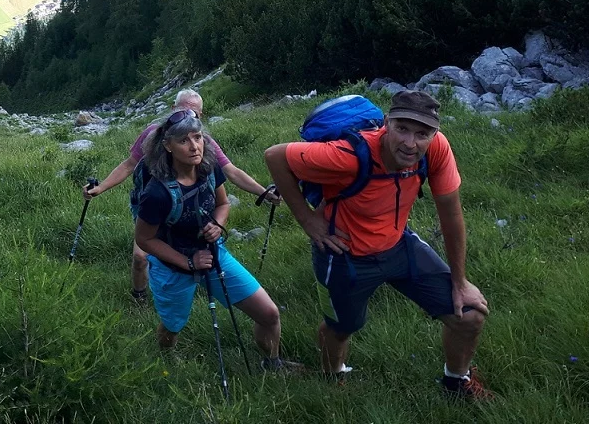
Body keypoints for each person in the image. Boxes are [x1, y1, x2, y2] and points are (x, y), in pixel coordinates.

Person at [264, 90, 492, 400]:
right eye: (402, 128)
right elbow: (275, 156)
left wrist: (460, 281)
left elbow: (451, 215)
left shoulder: (436, 150)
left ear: (434, 134)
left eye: (422, 133)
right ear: (386, 124)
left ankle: (456, 383)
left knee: (469, 315)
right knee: (341, 328)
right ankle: (332, 378)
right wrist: (306, 219)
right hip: (343, 254)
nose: (410, 143)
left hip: (398, 245)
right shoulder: (345, 155)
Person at [83, 88, 279, 304]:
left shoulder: (203, 143)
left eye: (193, 113)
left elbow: (231, 172)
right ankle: (139, 296)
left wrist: (263, 192)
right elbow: (129, 164)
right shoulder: (152, 135)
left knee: (189, 247)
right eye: (182, 110)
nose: (187, 118)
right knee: (140, 256)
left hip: (188, 207)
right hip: (151, 205)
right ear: (172, 110)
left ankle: (187, 286)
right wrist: (100, 188)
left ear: (200, 117)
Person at [133, 110, 296, 370]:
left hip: (214, 254)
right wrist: (188, 262)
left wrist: (218, 225)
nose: (194, 146)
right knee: (173, 326)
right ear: (167, 146)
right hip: (173, 267)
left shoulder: (208, 169)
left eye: (197, 137)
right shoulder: (157, 193)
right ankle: (166, 359)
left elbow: (222, 204)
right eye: (183, 140)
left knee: (269, 314)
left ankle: (273, 364)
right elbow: (144, 239)